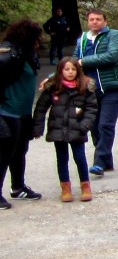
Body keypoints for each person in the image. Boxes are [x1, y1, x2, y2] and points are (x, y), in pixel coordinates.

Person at [32, 57, 98, 202]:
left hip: (77, 129)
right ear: (60, 71)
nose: (70, 72)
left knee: (80, 157)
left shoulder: (85, 87)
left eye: (73, 69)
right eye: (66, 69)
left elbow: (91, 109)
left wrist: (84, 126)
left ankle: (85, 186)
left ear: (78, 71)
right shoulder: (53, 87)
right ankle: (65, 187)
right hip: (58, 129)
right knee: (62, 158)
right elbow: (41, 108)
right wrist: (38, 128)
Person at [75, 9, 118, 176]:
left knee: (106, 124)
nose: (95, 22)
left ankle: (98, 161)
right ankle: (107, 161)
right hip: (90, 89)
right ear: (87, 21)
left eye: (98, 19)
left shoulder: (114, 35)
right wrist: (54, 77)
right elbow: (74, 62)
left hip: (112, 87)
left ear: (105, 21)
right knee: (95, 126)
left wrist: (84, 61)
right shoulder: (82, 39)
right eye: (91, 19)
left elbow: (112, 56)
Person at [0, 18, 45, 205]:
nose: (39, 41)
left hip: (24, 111)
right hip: (7, 110)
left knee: (20, 151)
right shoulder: (7, 54)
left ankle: (18, 187)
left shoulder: (27, 53)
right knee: (4, 153)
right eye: (37, 37)